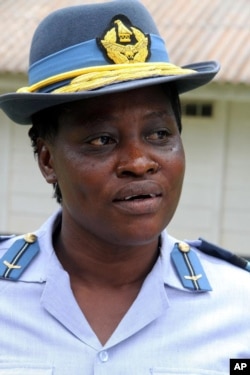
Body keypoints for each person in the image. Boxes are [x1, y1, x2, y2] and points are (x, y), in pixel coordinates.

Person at [0, 0, 249, 373]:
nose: (139, 162)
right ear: (47, 160)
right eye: (101, 140)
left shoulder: (239, 307)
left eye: (160, 133)